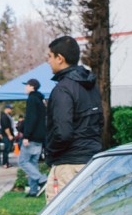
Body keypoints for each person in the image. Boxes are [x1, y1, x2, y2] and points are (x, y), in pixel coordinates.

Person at [44, 35, 104, 201]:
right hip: (90, 161)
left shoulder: (63, 89)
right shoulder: (91, 87)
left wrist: (50, 151)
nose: (48, 61)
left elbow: (62, 132)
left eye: (49, 57)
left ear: (60, 59)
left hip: (68, 164)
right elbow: (100, 123)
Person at [20, 78, 48, 198]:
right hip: (40, 137)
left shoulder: (31, 99)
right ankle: (33, 190)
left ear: (32, 87)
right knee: (33, 163)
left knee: (23, 161)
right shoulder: (41, 100)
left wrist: (26, 136)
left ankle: (42, 179)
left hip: (32, 137)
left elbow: (31, 118)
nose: (25, 87)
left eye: (27, 85)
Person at [0, 103, 16, 168]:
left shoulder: (8, 116)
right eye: (10, 109)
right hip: (6, 135)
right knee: (6, 149)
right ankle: (5, 163)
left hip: (7, 134)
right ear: (7, 109)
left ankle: (7, 162)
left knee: (8, 149)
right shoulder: (4, 116)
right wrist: (9, 135)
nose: (11, 110)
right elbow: (6, 127)